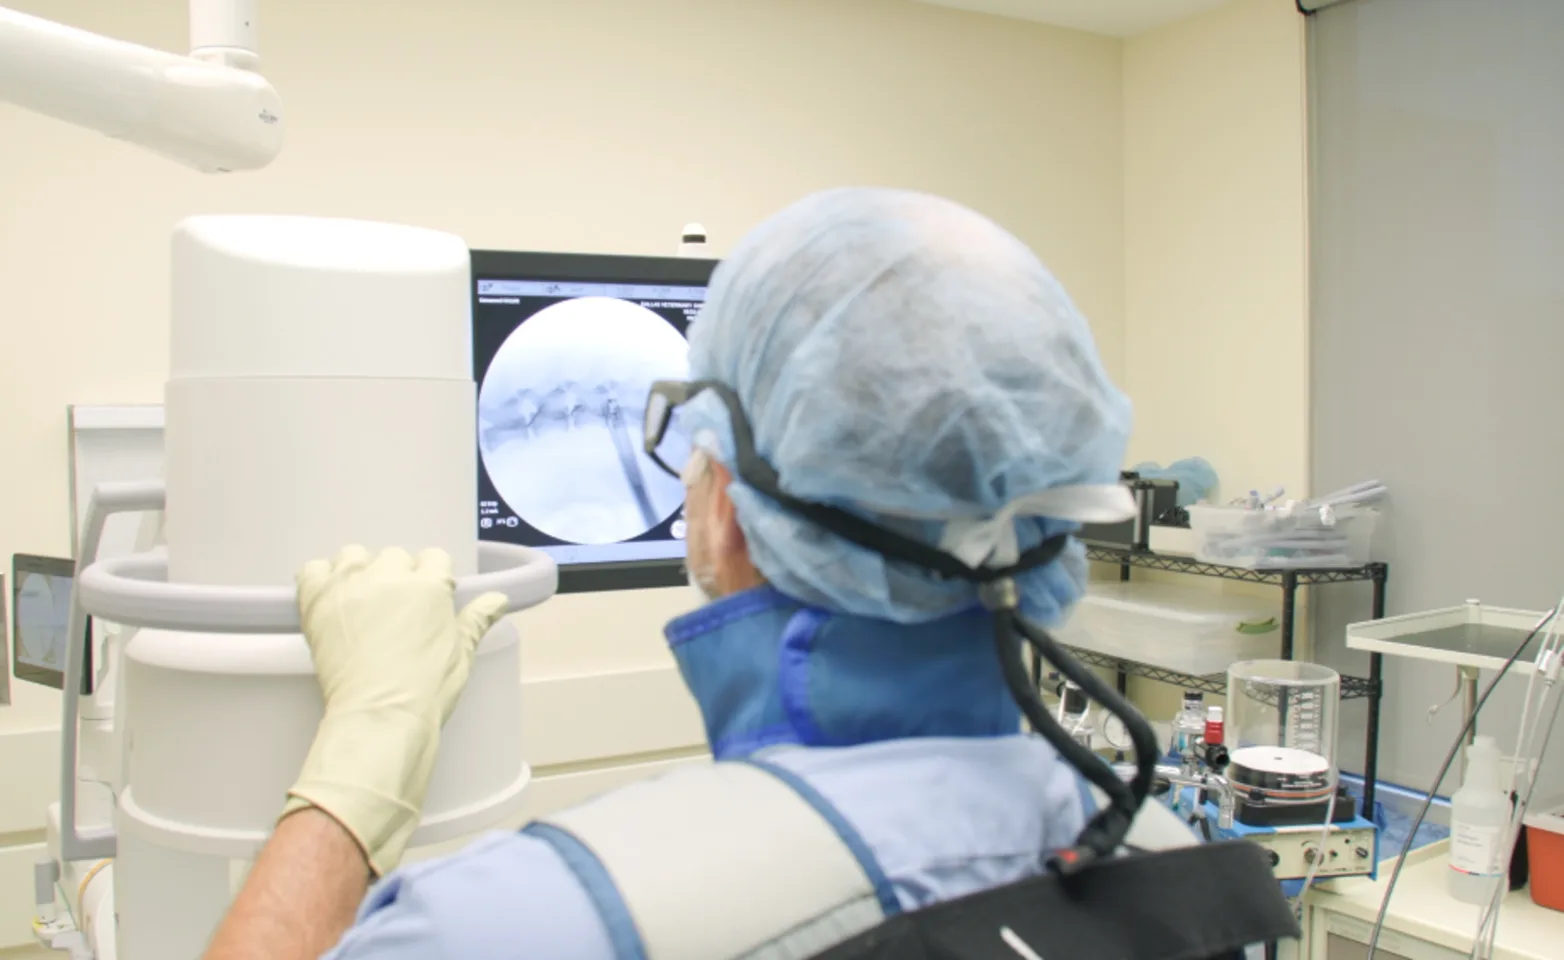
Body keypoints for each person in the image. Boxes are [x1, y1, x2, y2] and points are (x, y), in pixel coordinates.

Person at [202, 187, 1155, 960]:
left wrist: (358, 763)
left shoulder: (529, 922)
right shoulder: (1169, 860)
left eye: (694, 438)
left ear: (729, 516)